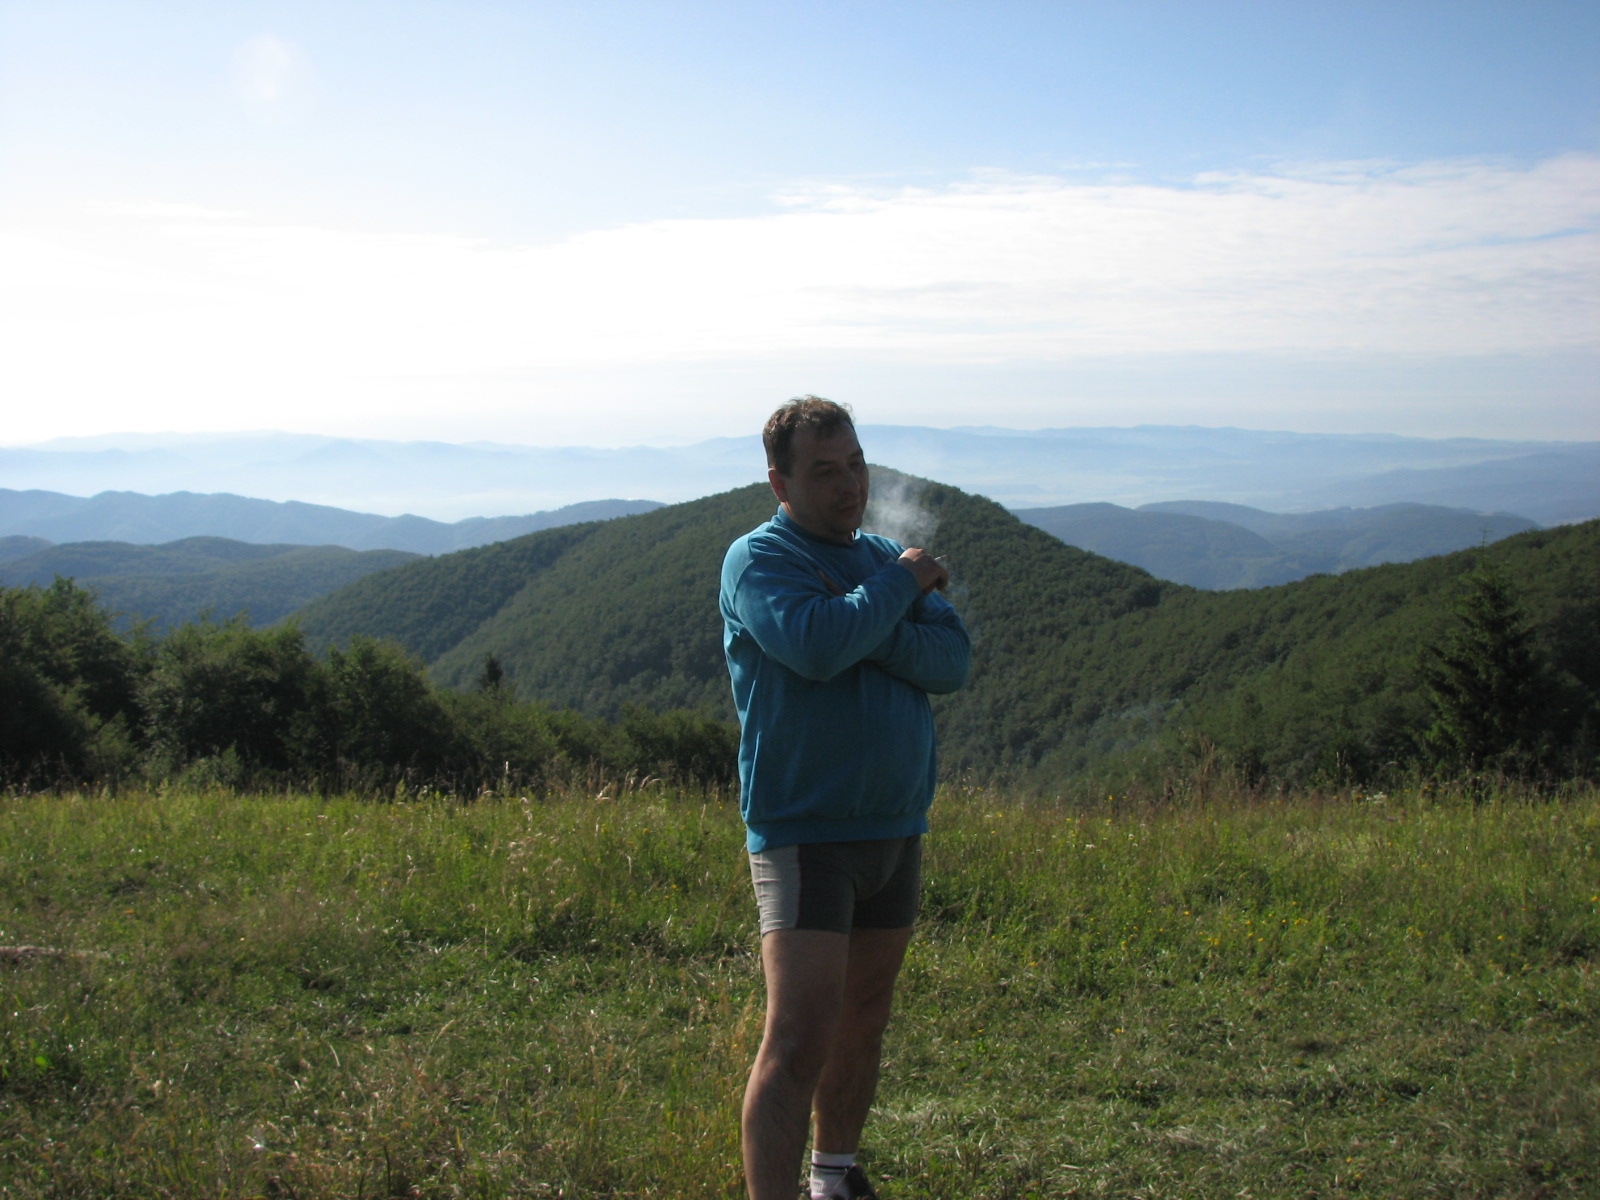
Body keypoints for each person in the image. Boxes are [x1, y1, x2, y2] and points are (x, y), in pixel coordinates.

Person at [719, 396, 971, 1200]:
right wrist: (900, 588)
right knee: (798, 1037)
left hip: (895, 825)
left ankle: (833, 1179)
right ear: (780, 484)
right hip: (806, 831)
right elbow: (817, 648)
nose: (850, 484)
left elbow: (952, 660)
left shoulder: (879, 558)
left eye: (856, 463)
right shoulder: (760, 560)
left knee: (864, 1017)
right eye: (824, 470)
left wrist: (867, 615)